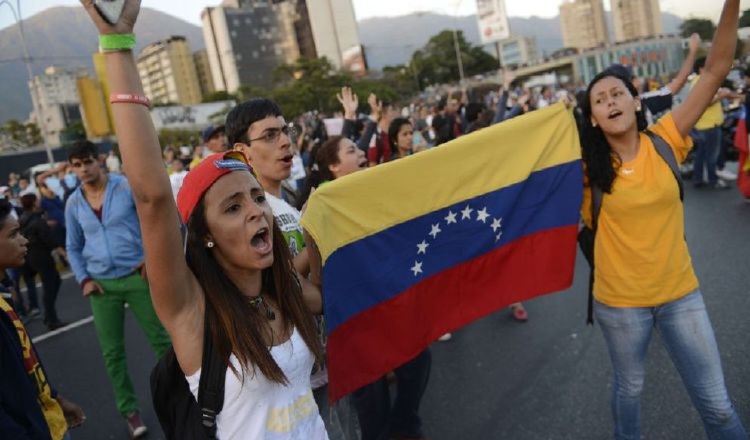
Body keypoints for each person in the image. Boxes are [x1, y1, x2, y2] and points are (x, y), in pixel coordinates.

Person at [79, 2, 328, 438]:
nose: (256, 210)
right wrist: (117, 45)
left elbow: (324, 298)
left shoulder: (282, 289)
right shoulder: (193, 312)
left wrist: (328, 221)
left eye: (256, 198)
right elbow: (153, 198)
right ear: (205, 235)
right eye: (233, 208)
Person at [579, 1, 747, 438]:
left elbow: (714, 72)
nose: (610, 101)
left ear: (637, 101)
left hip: (680, 296)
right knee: (629, 390)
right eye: (599, 100)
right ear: (593, 119)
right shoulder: (582, 172)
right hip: (620, 305)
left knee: (719, 408)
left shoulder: (667, 140)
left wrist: (731, 5)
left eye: (617, 93)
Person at [64, 140, 171, 438]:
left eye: (87, 162)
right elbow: (72, 246)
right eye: (76, 165)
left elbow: (151, 222)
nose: (83, 169)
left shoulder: (124, 188)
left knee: (162, 340)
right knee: (113, 354)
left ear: (98, 161)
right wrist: (84, 279)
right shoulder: (73, 203)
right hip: (101, 286)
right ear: (71, 169)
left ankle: (181, 395)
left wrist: (150, 259)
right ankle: (130, 413)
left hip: (137, 276)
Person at [0, 198, 86, 439]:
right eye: (14, 235)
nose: (23, 240)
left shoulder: (4, 294)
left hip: (50, 423)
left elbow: (26, 363)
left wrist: (55, 397)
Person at [19, 193, 67, 330]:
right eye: (37, 200)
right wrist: (62, 252)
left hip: (30, 256)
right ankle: (51, 318)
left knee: (52, 283)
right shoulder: (37, 220)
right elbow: (48, 240)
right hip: (41, 255)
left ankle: (48, 315)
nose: (40, 202)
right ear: (34, 203)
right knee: (50, 285)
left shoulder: (23, 218)